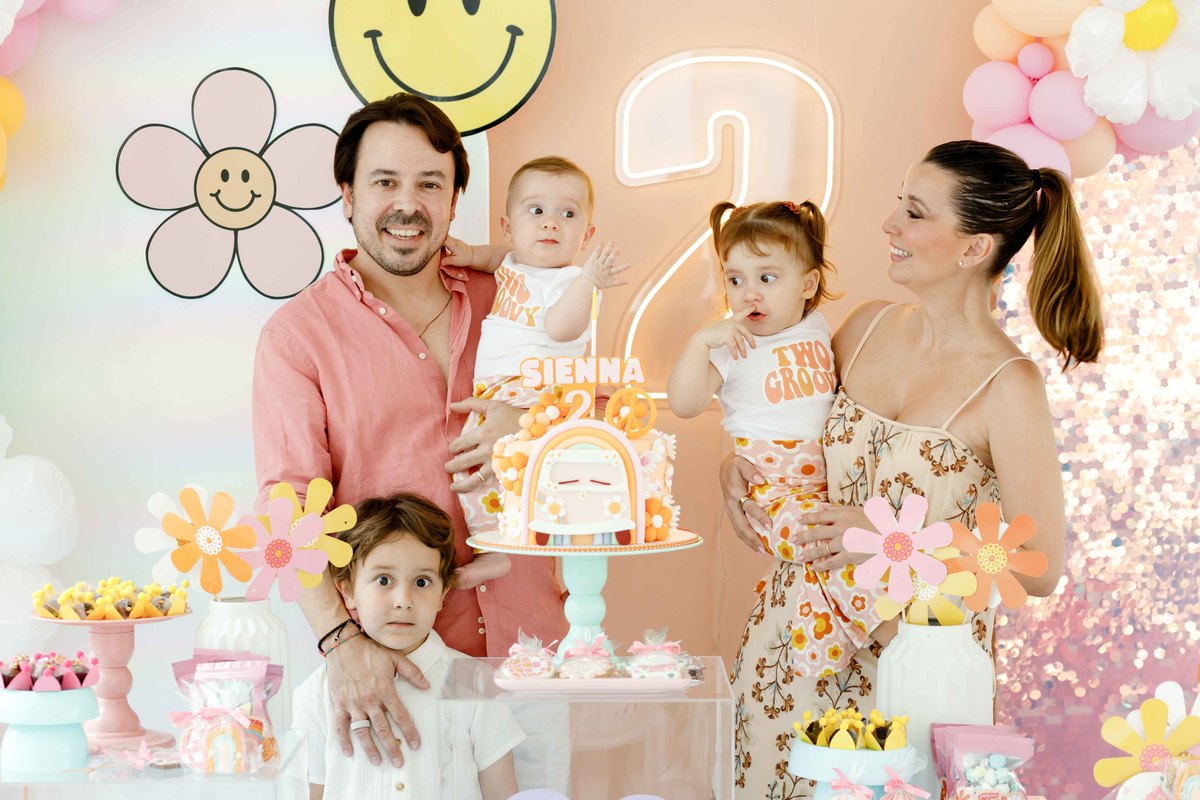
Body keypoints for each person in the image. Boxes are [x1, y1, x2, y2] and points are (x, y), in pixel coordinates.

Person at [721, 140, 1102, 796]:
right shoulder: (864, 327)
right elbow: (788, 426)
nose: (889, 223)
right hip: (789, 657)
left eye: (915, 212)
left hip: (914, 675)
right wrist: (737, 463)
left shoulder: (1008, 387)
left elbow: (1038, 566)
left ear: (974, 247)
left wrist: (886, 538)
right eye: (900, 203)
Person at [252, 92, 567, 770]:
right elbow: (289, 514)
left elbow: (605, 415)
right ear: (347, 195)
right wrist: (341, 643)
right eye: (384, 182)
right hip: (395, 672)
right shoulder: (298, 337)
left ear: (454, 200)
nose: (408, 204)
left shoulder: (516, 301)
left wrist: (535, 424)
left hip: (533, 655)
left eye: (430, 184)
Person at [668, 199, 884, 678]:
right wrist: (699, 343)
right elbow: (684, 403)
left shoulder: (818, 329)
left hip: (827, 488)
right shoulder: (734, 345)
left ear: (808, 285)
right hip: (772, 490)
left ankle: (827, 636)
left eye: (766, 278)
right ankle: (852, 640)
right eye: (735, 279)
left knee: (835, 548)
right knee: (820, 543)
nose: (749, 294)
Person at [446, 155, 629, 564]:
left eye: (568, 214)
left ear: (586, 235)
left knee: (503, 467)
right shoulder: (511, 261)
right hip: (497, 390)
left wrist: (589, 281)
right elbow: (496, 257)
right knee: (474, 467)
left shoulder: (574, 281)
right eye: (536, 211)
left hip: (538, 390)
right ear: (508, 227)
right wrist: (469, 253)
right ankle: (491, 539)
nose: (550, 223)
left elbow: (560, 329)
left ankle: (500, 545)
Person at [293, 492, 523, 800]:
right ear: (347, 591)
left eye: (422, 582)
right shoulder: (315, 693)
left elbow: (503, 794)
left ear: (443, 593)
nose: (403, 601)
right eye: (384, 580)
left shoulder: (475, 682)